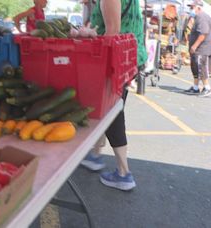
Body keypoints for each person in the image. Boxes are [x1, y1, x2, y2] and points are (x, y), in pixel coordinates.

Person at [80, 0, 147, 191]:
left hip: (119, 60)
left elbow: (112, 32)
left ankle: (124, 173)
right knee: (107, 109)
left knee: (113, 112)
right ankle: (95, 155)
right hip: (128, 55)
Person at [184, 0, 211, 97]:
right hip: (197, 49)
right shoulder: (196, 17)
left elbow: (203, 33)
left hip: (202, 48)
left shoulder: (202, 17)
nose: (190, 9)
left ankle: (207, 88)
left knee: (201, 68)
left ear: (198, 8)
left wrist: (195, 45)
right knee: (195, 68)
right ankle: (195, 88)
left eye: (192, 7)